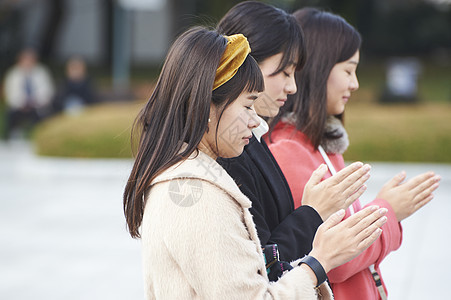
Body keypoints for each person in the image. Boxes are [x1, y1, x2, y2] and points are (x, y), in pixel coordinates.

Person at [123, 26, 388, 299]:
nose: (255, 120)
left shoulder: (191, 180)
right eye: (248, 105)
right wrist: (319, 262)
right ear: (206, 106)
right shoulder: (199, 198)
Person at [267, 8, 441, 300]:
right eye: (348, 70)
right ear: (319, 68)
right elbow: (334, 260)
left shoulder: (321, 145)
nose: (355, 83)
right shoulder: (289, 151)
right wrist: (387, 212)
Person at [216, 0, 371, 267]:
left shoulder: (252, 138)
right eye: (285, 72)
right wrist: (313, 213)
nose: (292, 87)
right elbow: (261, 265)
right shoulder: (229, 150)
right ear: (245, 66)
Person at [3, 48, 55, 139]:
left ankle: (41, 136)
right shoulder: (13, 74)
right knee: (11, 114)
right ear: (20, 61)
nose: (28, 63)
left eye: (30, 60)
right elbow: (10, 93)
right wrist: (22, 103)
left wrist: (35, 102)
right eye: (25, 60)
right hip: (19, 106)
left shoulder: (41, 72)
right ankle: (12, 135)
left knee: (44, 114)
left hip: (37, 106)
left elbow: (47, 91)